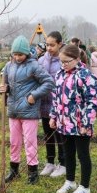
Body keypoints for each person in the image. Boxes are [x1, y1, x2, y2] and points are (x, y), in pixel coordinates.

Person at [0, 35, 54, 185]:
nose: (17, 57)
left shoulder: (34, 66)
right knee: (14, 142)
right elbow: (9, 86)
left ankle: (33, 173)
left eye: (20, 55)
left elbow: (49, 82)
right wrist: (4, 88)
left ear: (27, 53)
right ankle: (14, 171)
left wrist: (34, 96)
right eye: (15, 54)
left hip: (29, 112)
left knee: (30, 143)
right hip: (13, 111)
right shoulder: (9, 67)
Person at [50, 44, 97, 193]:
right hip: (64, 123)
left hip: (80, 124)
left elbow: (93, 101)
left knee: (83, 155)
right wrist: (53, 116)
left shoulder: (86, 76)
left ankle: (85, 187)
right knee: (68, 153)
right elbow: (56, 97)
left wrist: (87, 123)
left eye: (67, 61)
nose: (63, 65)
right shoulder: (59, 74)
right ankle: (70, 181)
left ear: (77, 59)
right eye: (61, 61)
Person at [38, 31, 66, 178]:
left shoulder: (64, 60)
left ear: (60, 44)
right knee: (48, 134)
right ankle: (50, 162)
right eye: (47, 45)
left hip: (60, 105)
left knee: (60, 135)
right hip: (44, 103)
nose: (49, 48)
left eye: (52, 45)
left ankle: (63, 163)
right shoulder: (41, 60)